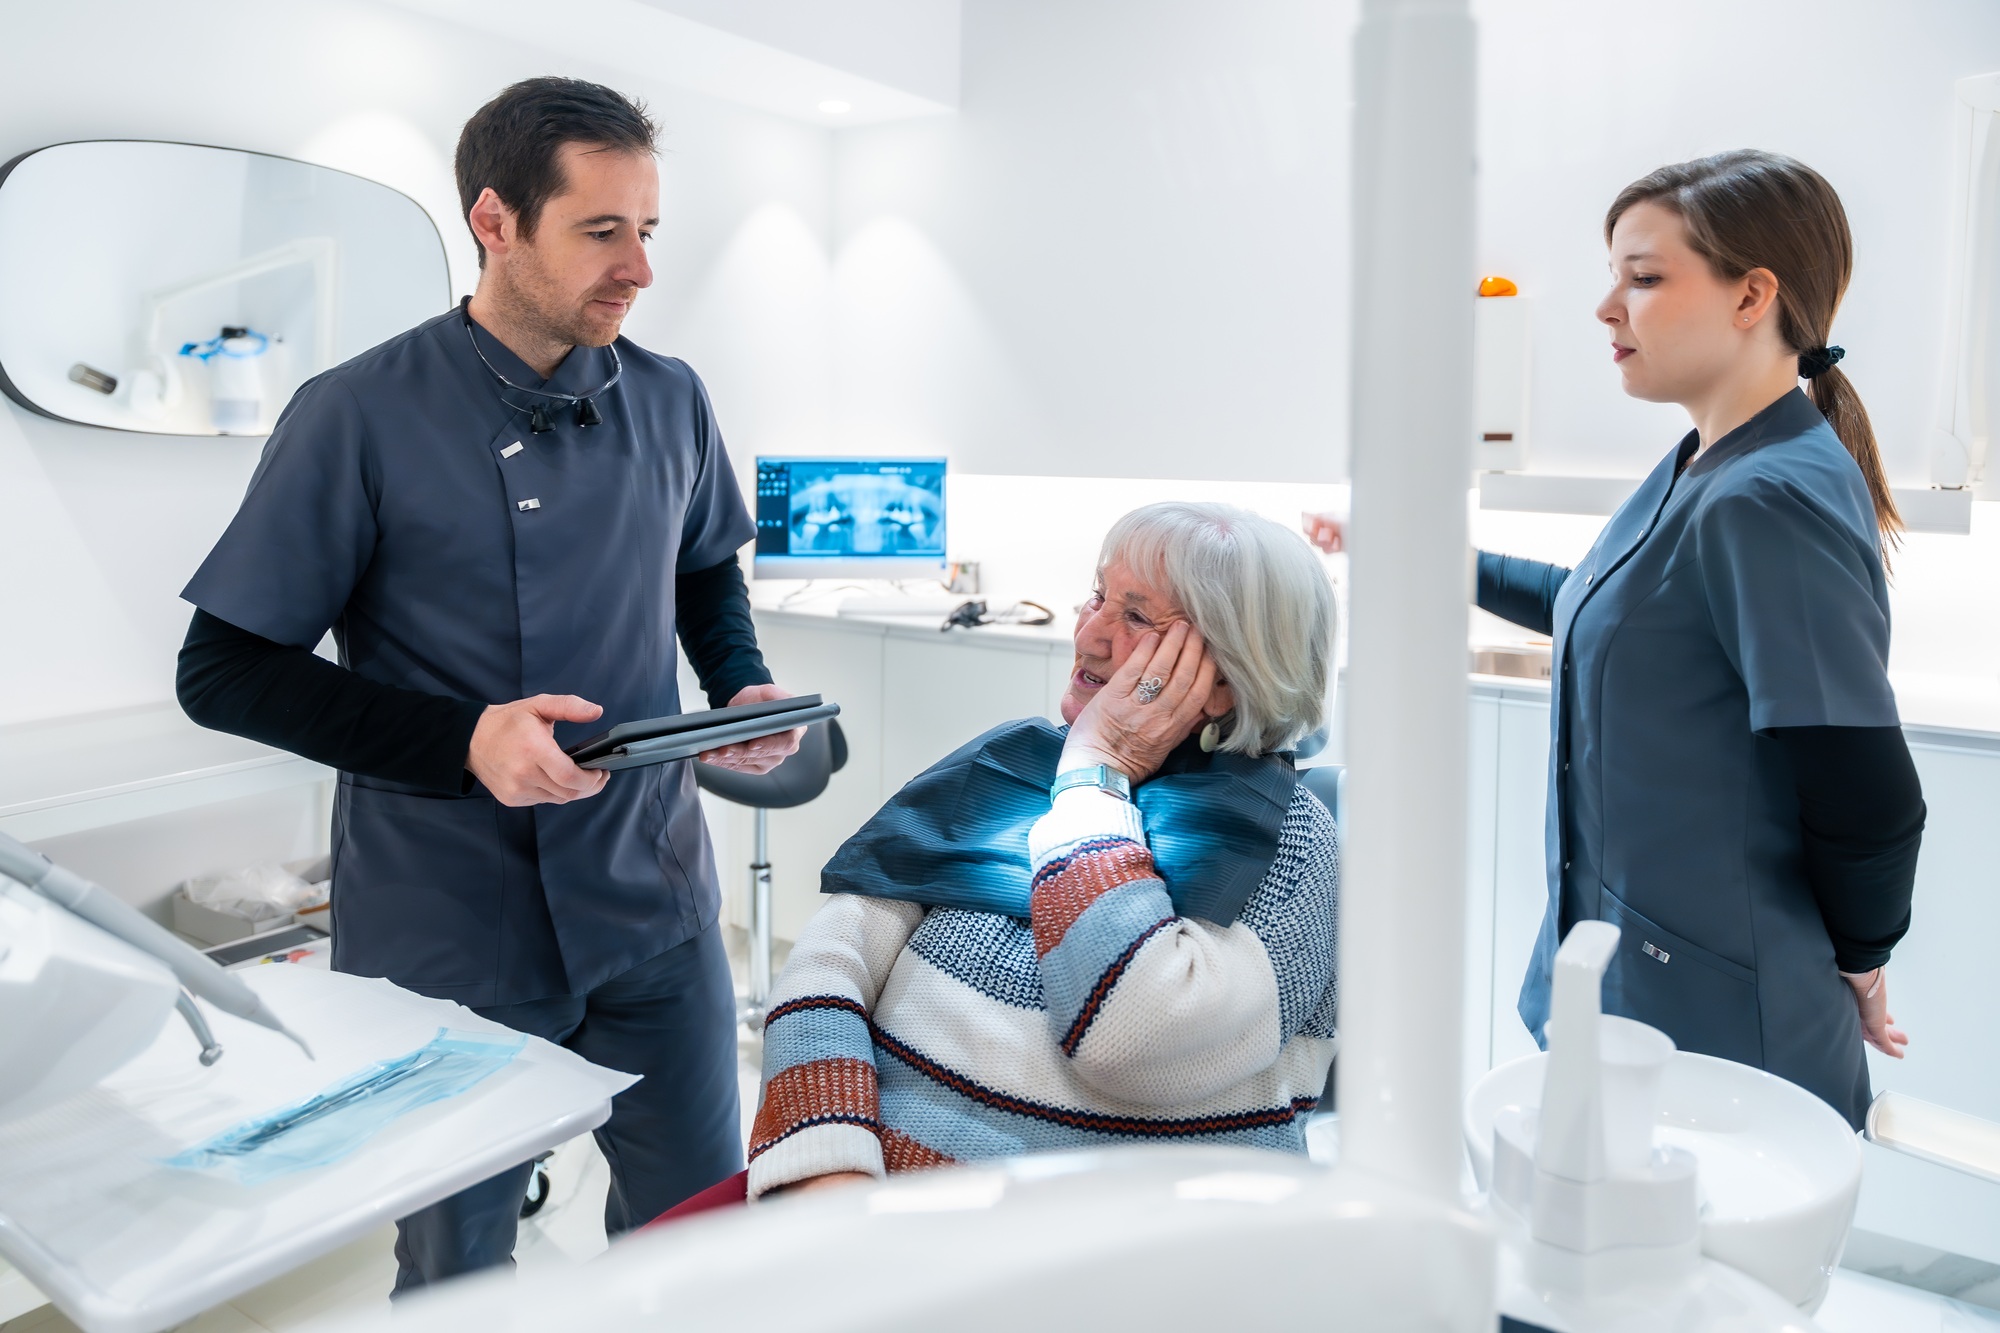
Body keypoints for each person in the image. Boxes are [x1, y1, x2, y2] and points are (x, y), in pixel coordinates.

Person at [176, 77, 800, 1290]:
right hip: (447, 933)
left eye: (648, 230)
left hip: (653, 908)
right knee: (456, 1271)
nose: (638, 269)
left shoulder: (670, 398)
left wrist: (738, 681)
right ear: (496, 222)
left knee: (701, 1239)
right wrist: (464, 739)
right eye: (601, 231)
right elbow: (225, 671)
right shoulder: (353, 415)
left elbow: (704, 564)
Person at [1474, 151, 1923, 1128]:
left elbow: (1864, 786)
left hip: (1716, 1020)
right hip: (1633, 982)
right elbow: (1598, 605)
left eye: (1641, 277)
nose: (1605, 307)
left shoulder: (1765, 497)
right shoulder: (1702, 462)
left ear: (1750, 295)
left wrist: (1858, 956)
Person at [742, 503, 1340, 1197]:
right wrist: (828, 1168)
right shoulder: (1016, 763)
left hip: (1071, 1270)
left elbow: (1129, 1037)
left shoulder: (1288, 840)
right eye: (1097, 596)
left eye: (1138, 618)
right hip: (861, 1213)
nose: (1087, 632)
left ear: (1229, 675)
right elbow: (829, 961)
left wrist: (1097, 772)